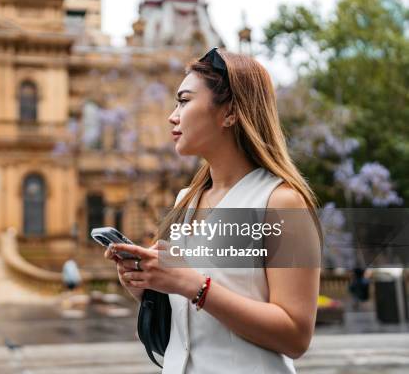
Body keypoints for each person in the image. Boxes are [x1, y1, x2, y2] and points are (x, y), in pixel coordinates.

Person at [104, 48, 321, 373]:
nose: (172, 115)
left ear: (230, 113)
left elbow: (295, 336)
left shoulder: (280, 202)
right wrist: (147, 287)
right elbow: (189, 321)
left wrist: (194, 285)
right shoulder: (184, 203)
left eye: (185, 100)